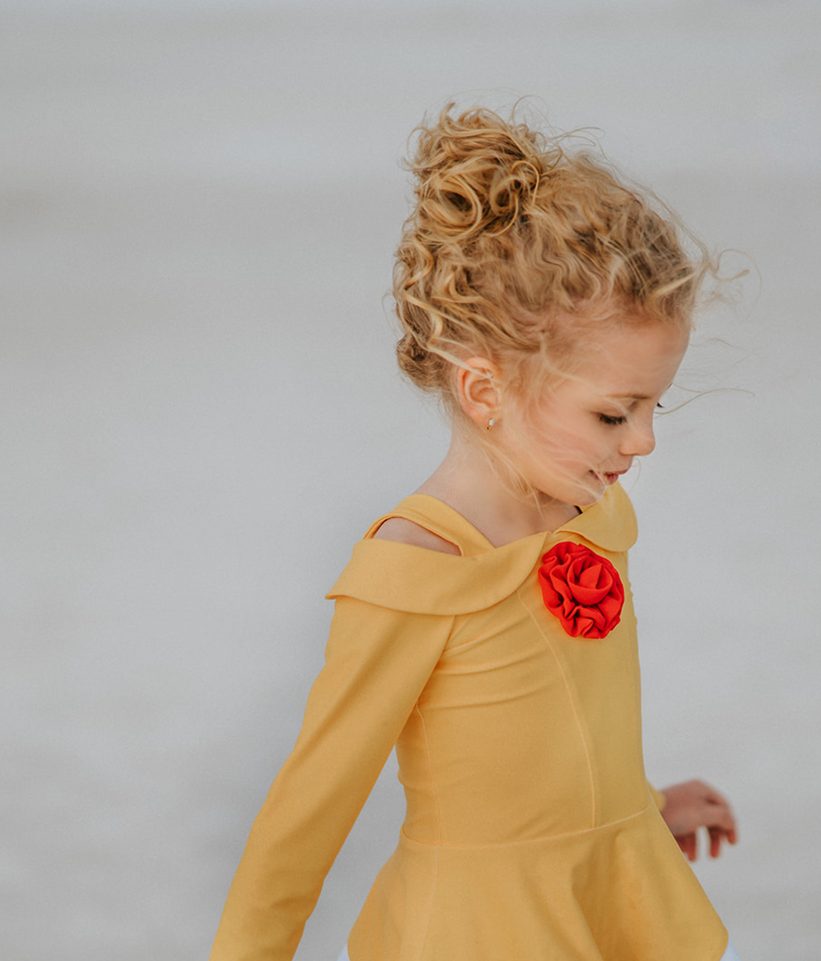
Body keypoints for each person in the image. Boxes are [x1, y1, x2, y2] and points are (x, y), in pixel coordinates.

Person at [210, 105, 741, 961]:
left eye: (653, 407)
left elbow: (565, 734)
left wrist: (638, 810)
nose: (642, 441)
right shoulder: (417, 567)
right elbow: (308, 809)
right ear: (484, 390)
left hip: (602, 895)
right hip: (476, 931)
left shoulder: (590, 516)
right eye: (614, 412)